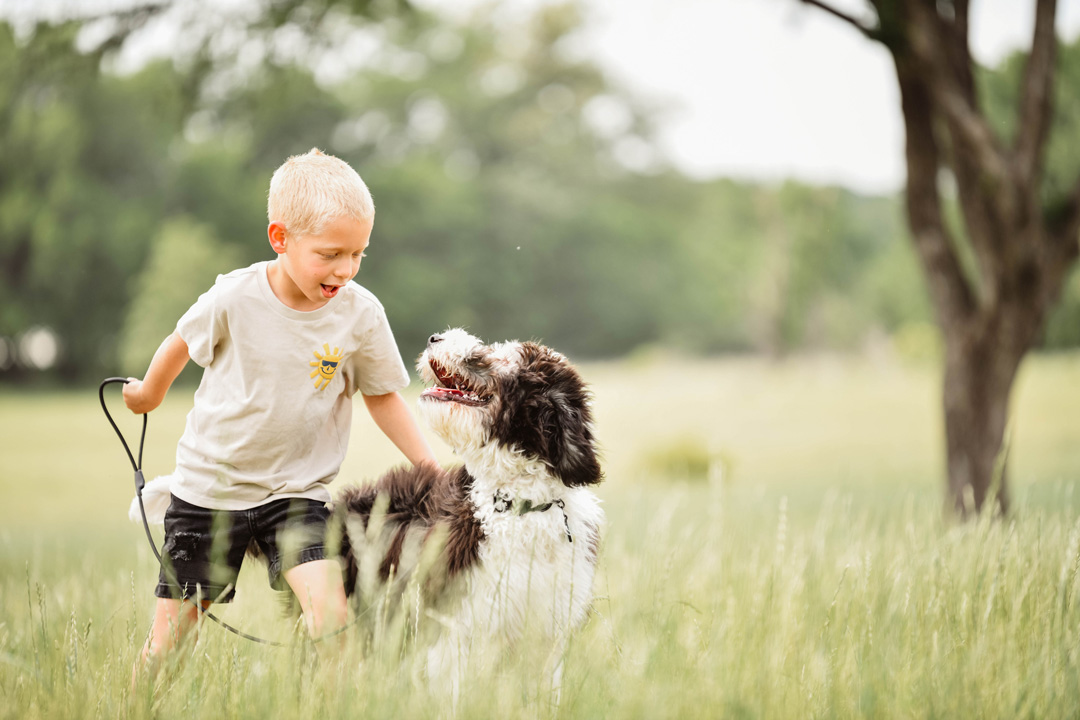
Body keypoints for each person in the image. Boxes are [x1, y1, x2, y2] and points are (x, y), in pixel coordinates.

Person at [123, 148, 437, 677]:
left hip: (296, 493)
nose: (345, 269)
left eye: (359, 253)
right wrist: (150, 394)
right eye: (330, 253)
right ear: (280, 239)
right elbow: (181, 341)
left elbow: (382, 395)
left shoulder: (360, 314)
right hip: (209, 492)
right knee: (167, 647)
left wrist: (427, 467)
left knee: (332, 620)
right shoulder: (233, 298)